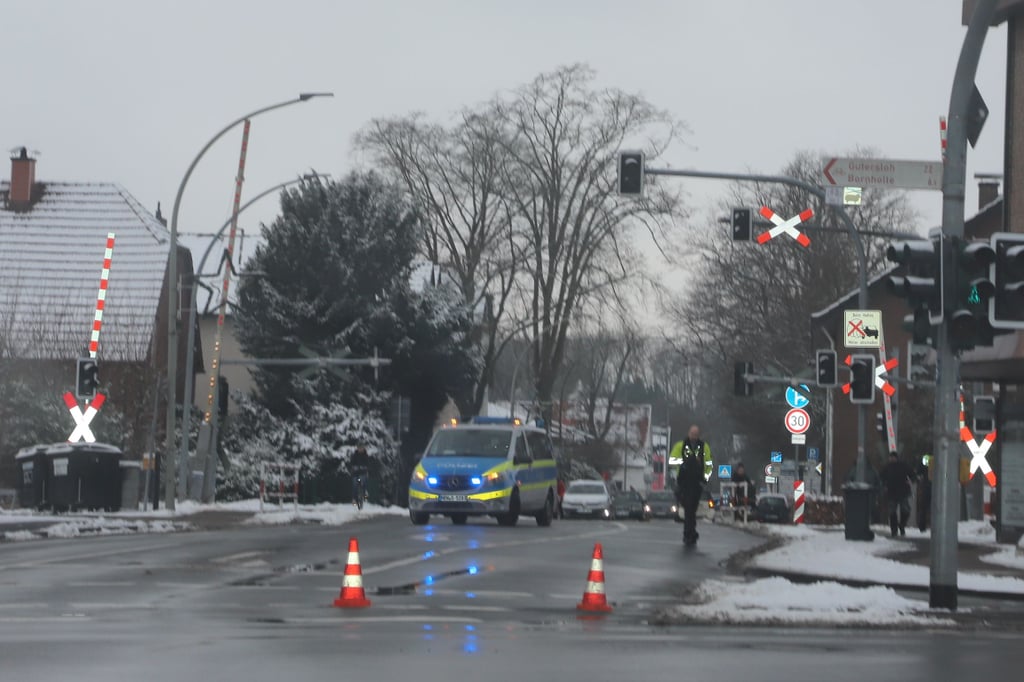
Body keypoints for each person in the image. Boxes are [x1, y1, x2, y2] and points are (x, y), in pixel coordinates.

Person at [671, 424, 713, 546]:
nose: (694, 436)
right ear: (689, 433)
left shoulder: (704, 447)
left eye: (696, 434)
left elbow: (709, 464)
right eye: (692, 434)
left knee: (691, 509)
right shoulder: (680, 446)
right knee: (688, 508)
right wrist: (685, 462)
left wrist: (705, 478)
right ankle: (689, 533)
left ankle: (690, 532)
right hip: (684, 482)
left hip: (696, 483)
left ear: (698, 434)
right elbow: (672, 460)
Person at [880, 450, 915, 537]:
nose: (891, 459)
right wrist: (884, 485)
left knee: (905, 510)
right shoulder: (887, 467)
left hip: (902, 491)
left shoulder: (903, 466)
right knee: (892, 512)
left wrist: (911, 480)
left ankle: (901, 525)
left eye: (893, 457)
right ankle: (894, 529)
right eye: (890, 458)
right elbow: (881, 478)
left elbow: (912, 474)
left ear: (896, 458)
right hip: (893, 492)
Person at [916, 453, 932, 532]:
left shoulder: (926, 457)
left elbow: (919, 472)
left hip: (926, 486)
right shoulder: (943, 453)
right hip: (935, 486)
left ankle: (922, 526)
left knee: (924, 507)